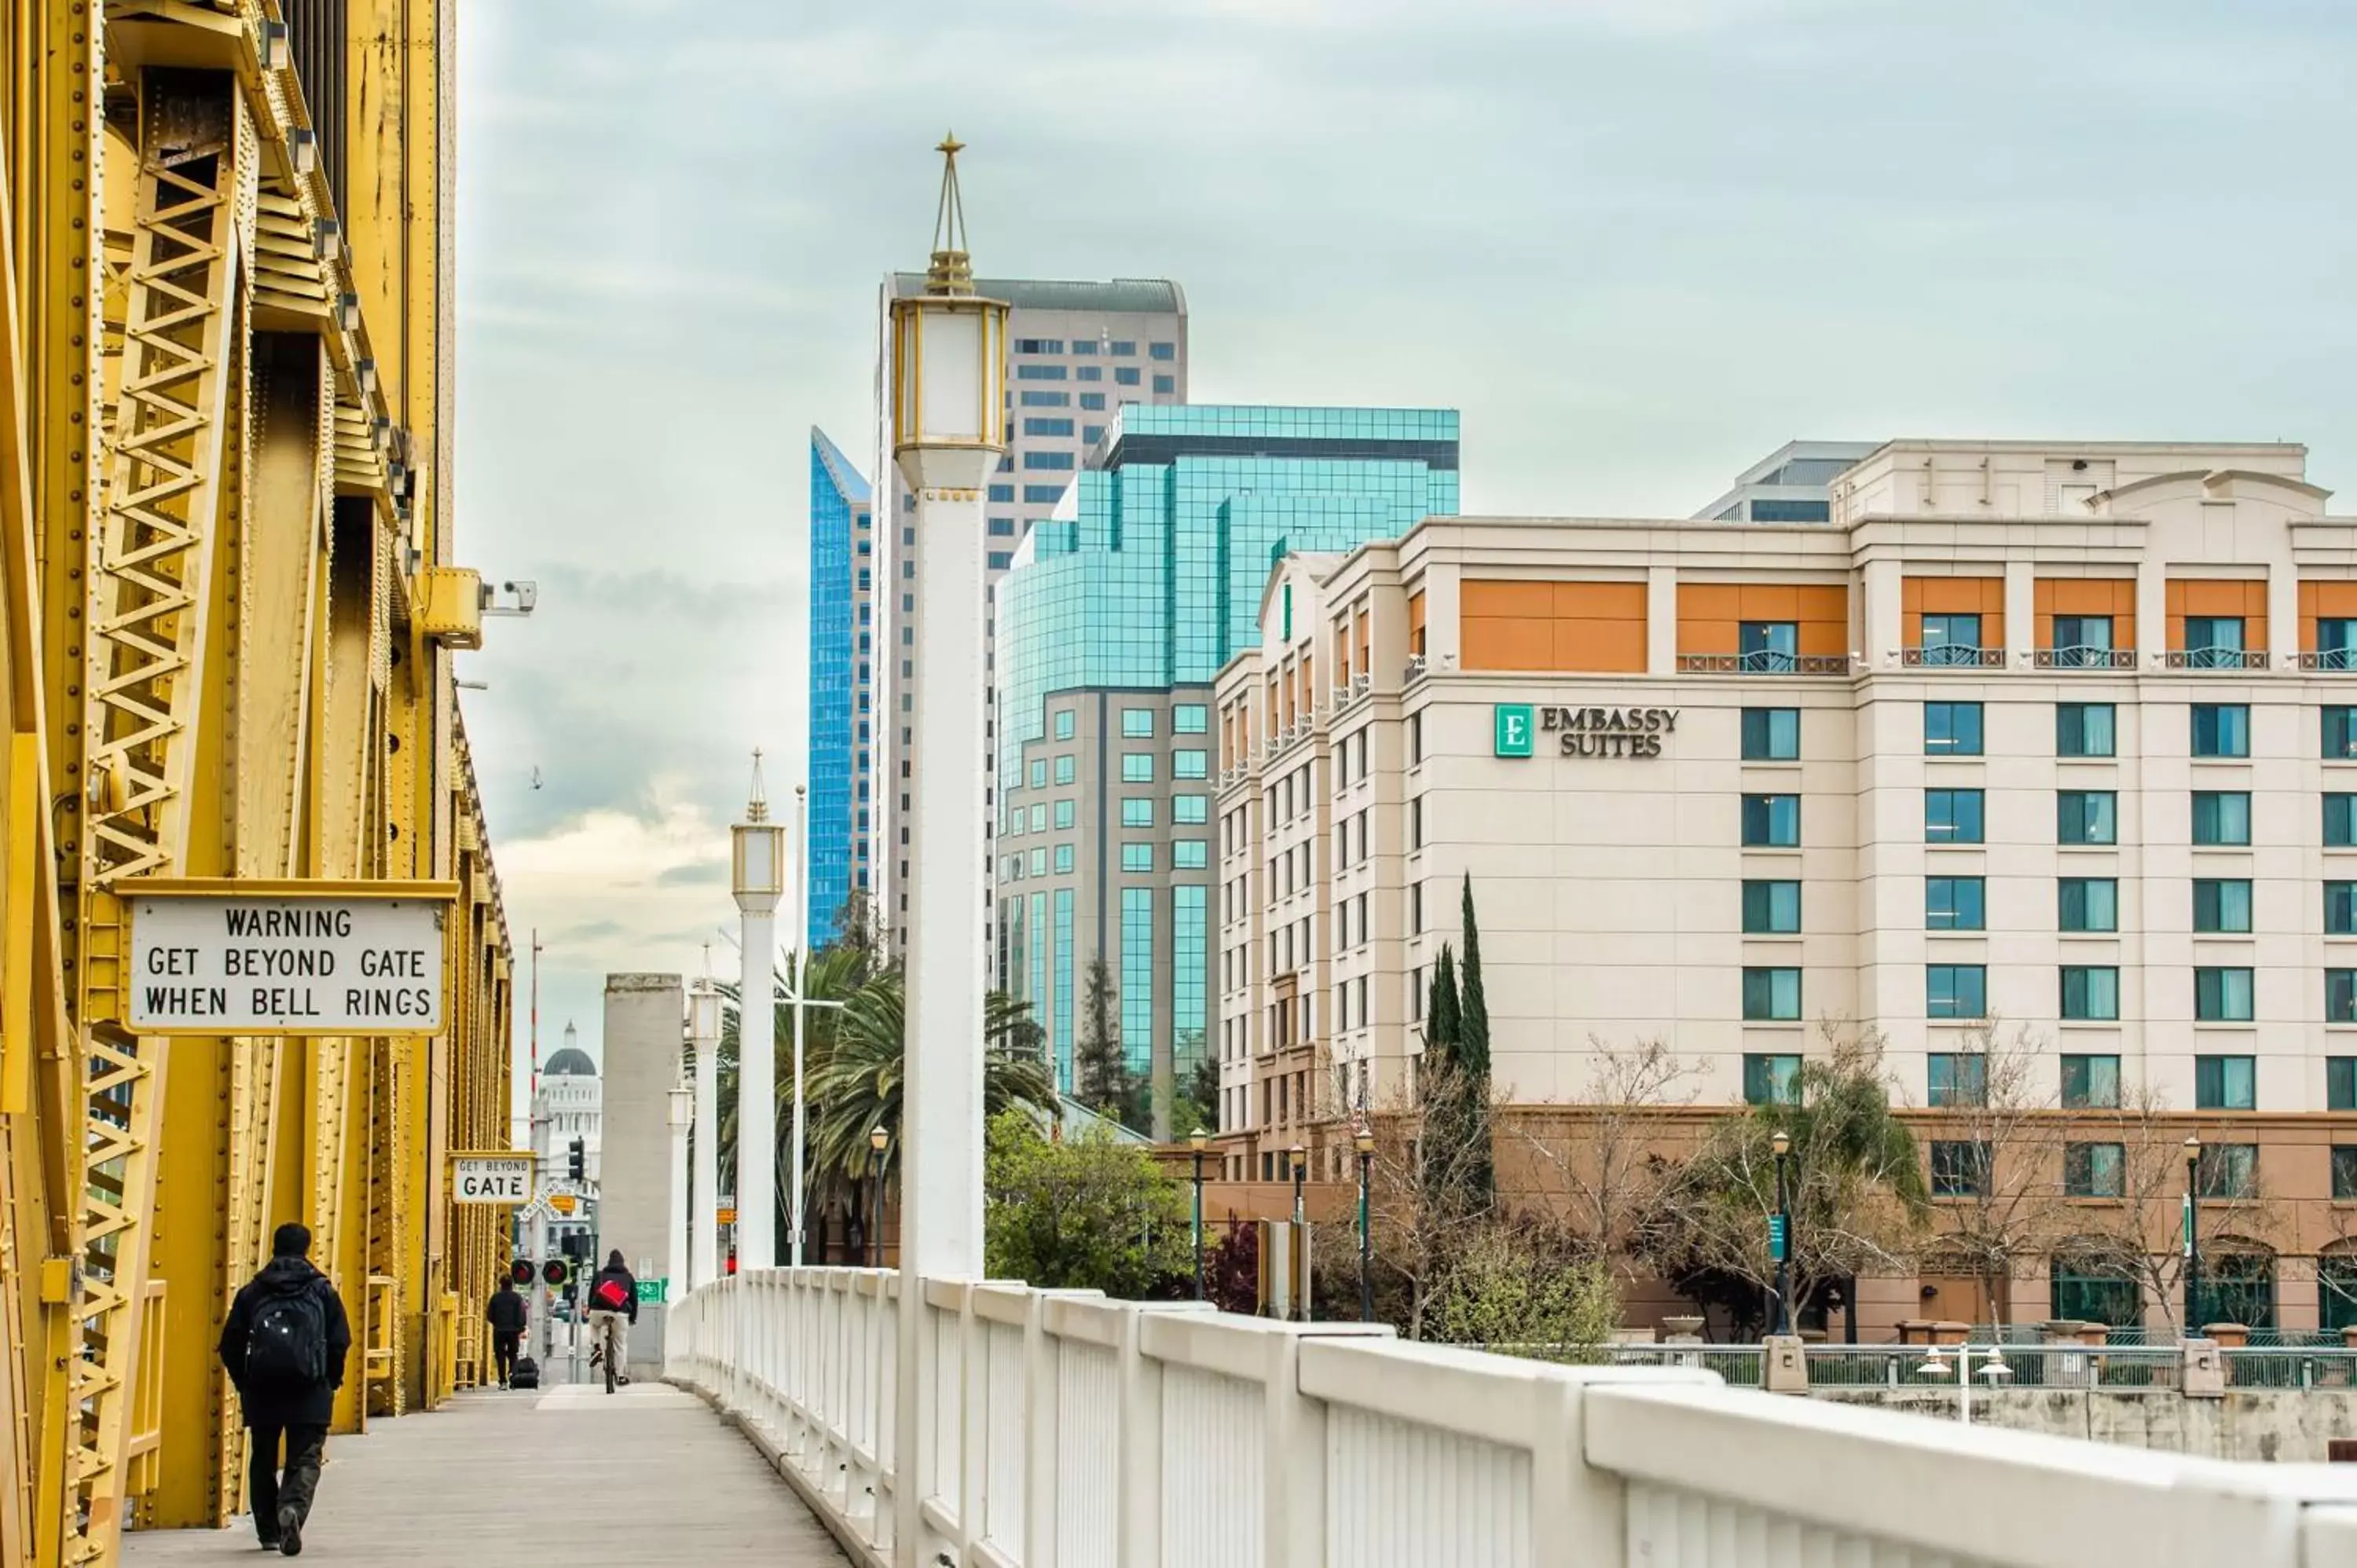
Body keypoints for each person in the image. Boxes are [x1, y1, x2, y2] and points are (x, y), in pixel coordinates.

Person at [220, 1222, 352, 1556]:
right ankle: (290, 1508)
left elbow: (230, 1344)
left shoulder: (253, 1292)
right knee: (305, 1457)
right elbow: (339, 1341)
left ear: (274, 1247)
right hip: (311, 1388)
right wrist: (331, 1379)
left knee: (263, 1457)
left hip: (262, 1389)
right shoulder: (322, 1291)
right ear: (307, 1248)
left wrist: (244, 1380)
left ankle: (267, 1531)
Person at [585, 1250, 638, 1392]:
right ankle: (620, 1376)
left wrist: (591, 1310)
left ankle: (597, 1348)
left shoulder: (600, 1275)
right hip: (620, 1313)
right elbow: (634, 1300)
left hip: (598, 1310)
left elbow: (591, 1295)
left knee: (593, 1324)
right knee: (620, 1345)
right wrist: (632, 1318)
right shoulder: (628, 1277)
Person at [486, 1277, 528, 1388]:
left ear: (501, 1285)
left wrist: (497, 1323)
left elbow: (489, 1315)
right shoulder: (517, 1298)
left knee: (500, 1355)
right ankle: (513, 1376)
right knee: (513, 1354)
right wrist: (520, 1327)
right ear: (512, 1285)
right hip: (513, 1331)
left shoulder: (495, 1298)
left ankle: (503, 1381)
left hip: (499, 1330)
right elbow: (522, 1314)